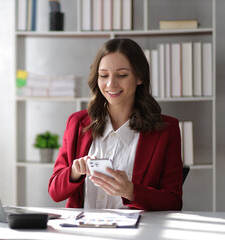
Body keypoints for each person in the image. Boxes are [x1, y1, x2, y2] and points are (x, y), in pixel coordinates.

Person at [48, 38, 183, 211]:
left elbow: (173, 202)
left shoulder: (166, 130)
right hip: (83, 232)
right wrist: (74, 172)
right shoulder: (77, 123)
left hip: (136, 234)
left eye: (122, 75)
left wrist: (131, 192)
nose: (111, 84)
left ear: (139, 77)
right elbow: (54, 192)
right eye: (103, 75)